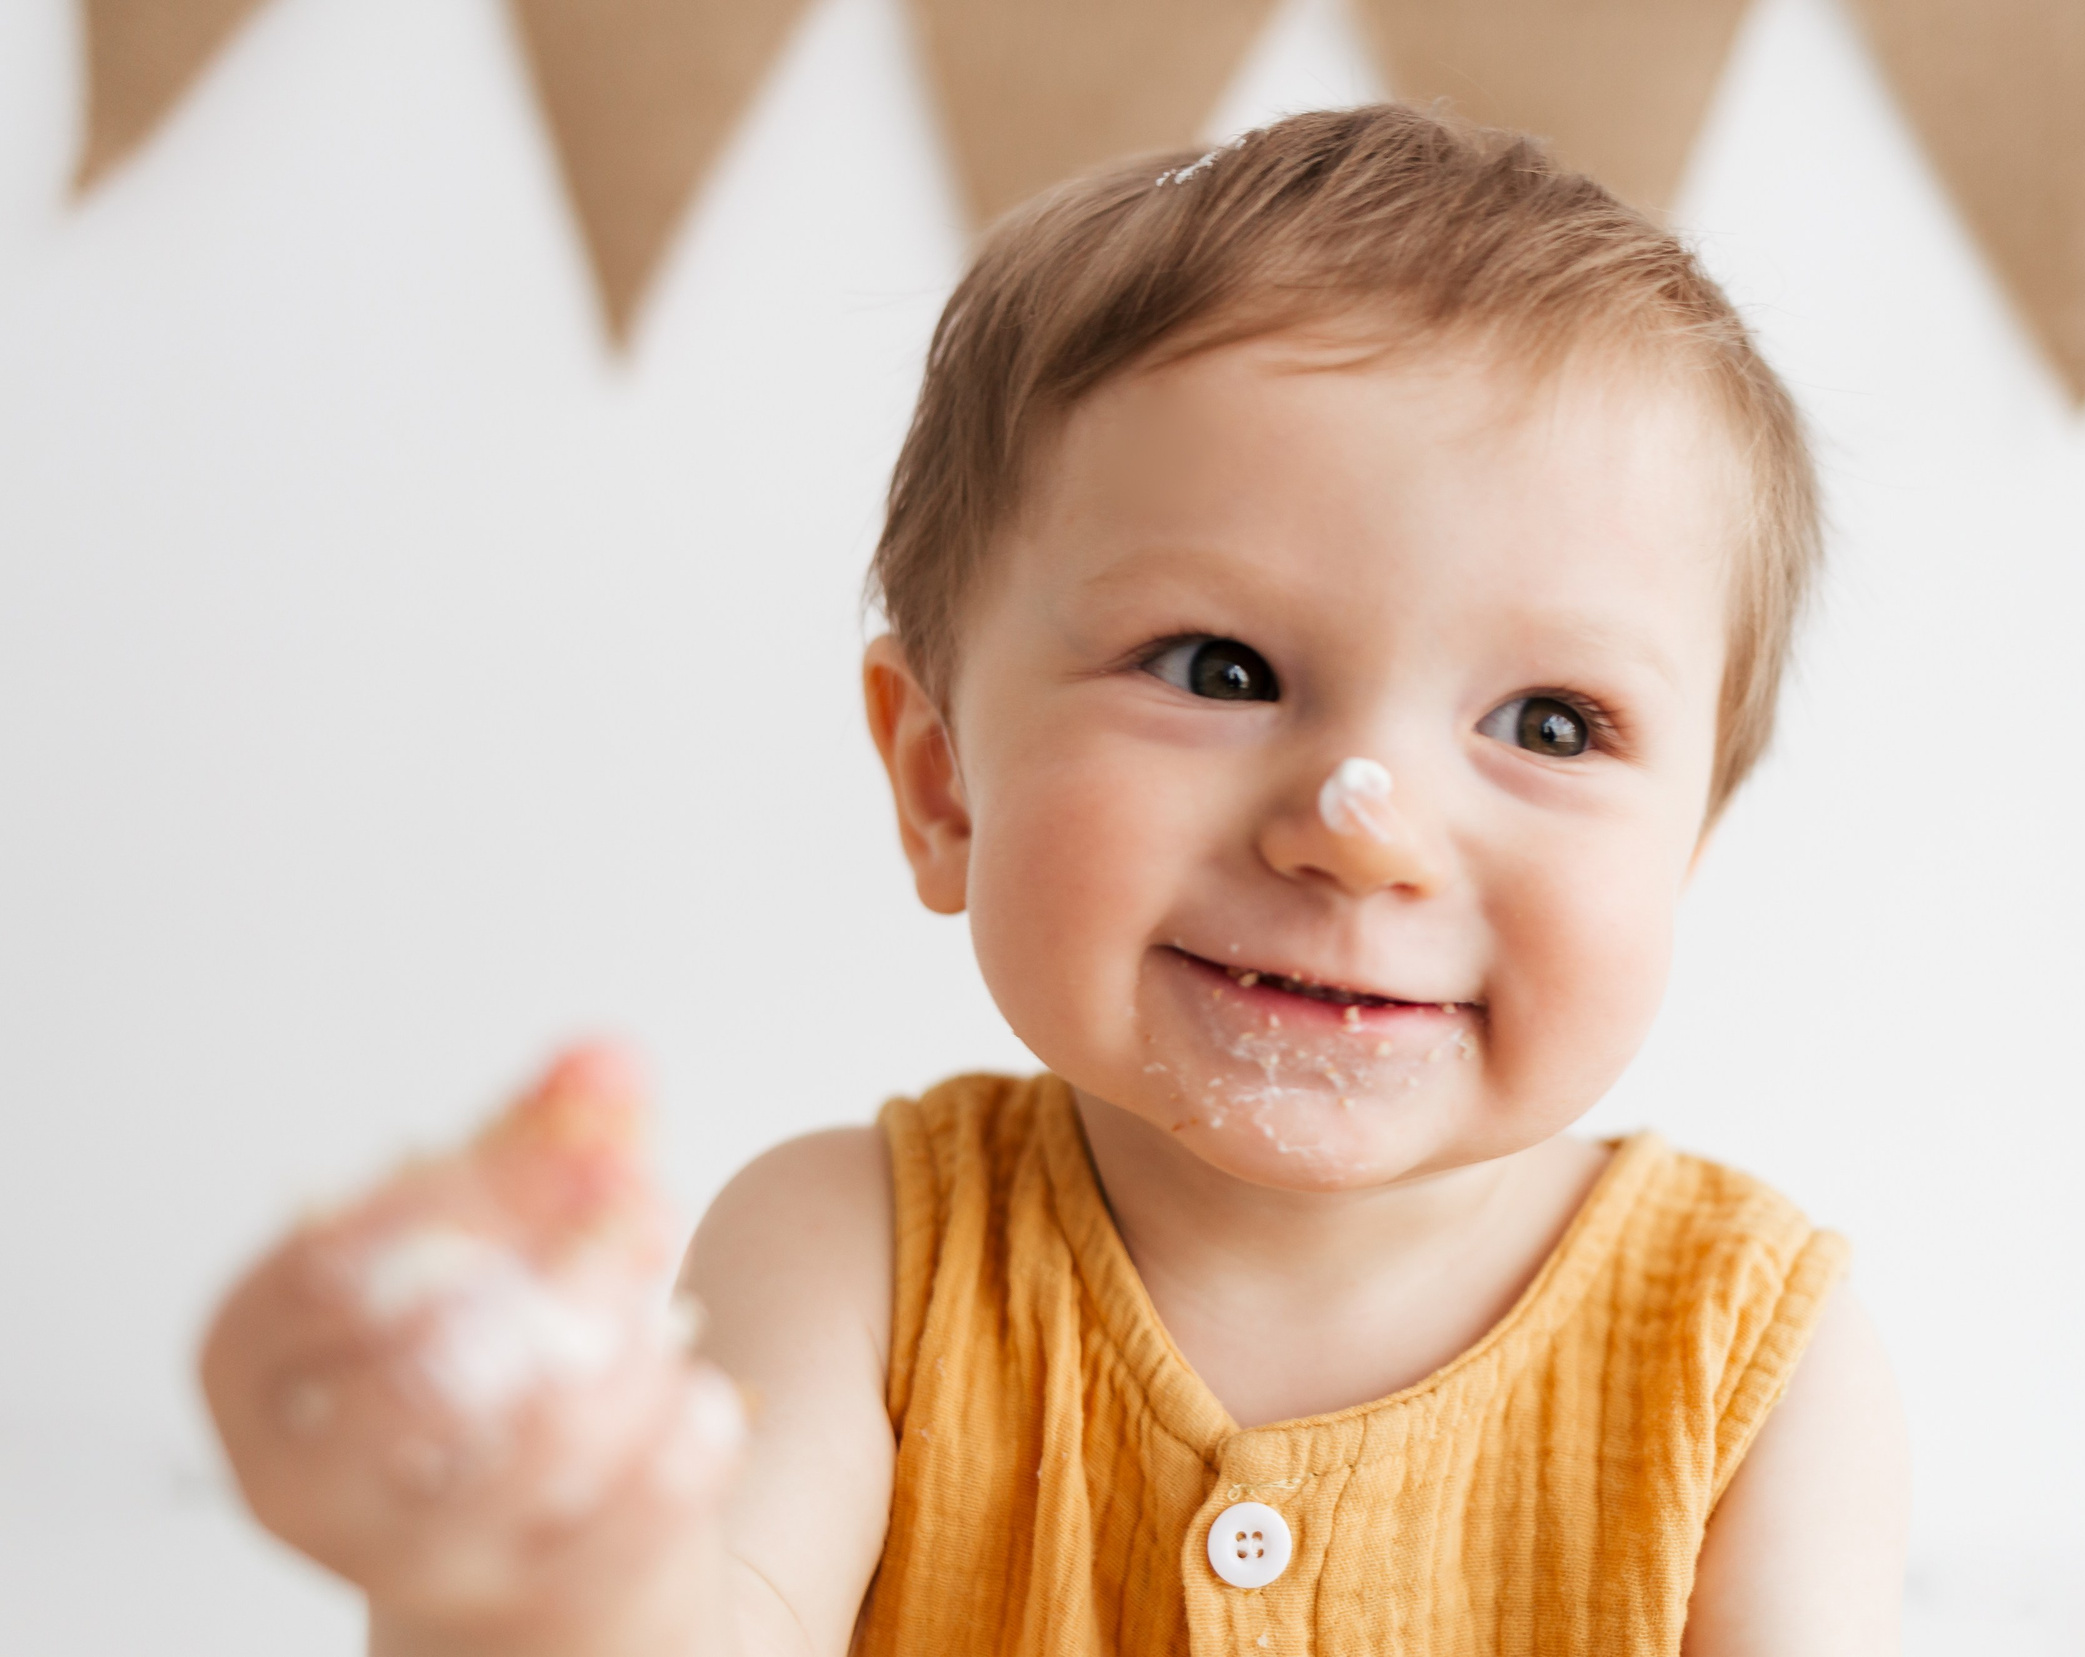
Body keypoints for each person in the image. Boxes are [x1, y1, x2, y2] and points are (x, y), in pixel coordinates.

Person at [200, 104, 1907, 1656]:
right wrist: (524, 1552)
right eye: (1220, 668)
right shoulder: (855, 1259)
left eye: (1552, 718)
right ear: (943, 777)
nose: (1362, 822)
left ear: (1689, 844)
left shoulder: (1752, 1361)